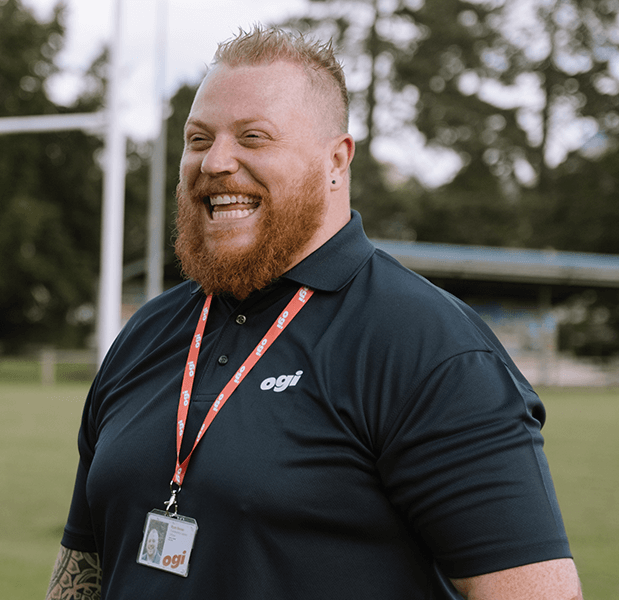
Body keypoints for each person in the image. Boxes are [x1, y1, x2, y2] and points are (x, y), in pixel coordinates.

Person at [46, 25, 582, 600]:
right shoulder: (146, 334)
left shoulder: (430, 347)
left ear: (336, 160)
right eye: (198, 139)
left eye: (253, 137)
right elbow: (82, 574)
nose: (216, 162)